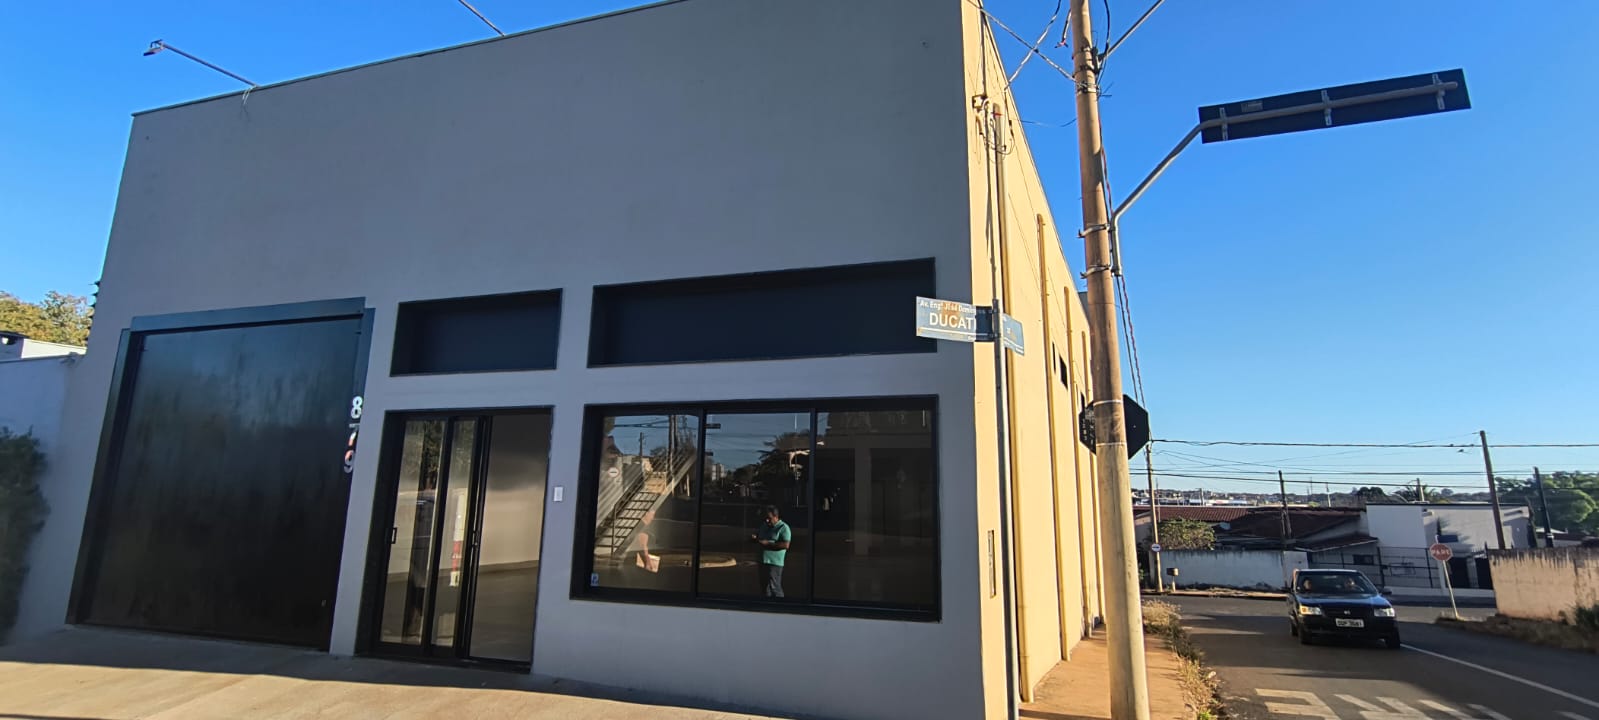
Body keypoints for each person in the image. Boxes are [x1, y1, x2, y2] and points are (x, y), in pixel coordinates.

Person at [749, 505, 791, 598]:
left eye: (769, 518)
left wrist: (767, 544)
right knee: (764, 588)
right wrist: (754, 538)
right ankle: (766, 605)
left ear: (776, 517)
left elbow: (786, 545)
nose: (767, 520)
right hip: (762, 561)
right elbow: (758, 536)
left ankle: (779, 605)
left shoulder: (783, 527)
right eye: (766, 518)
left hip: (774, 563)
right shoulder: (764, 526)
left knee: (774, 587)